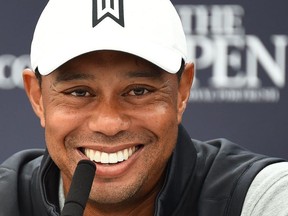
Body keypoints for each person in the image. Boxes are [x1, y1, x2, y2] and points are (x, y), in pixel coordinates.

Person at [0, 0, 288, 215]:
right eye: (79, 92)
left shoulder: (260, 197)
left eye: (139, 91)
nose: (109, 123)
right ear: (37, 97)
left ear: (182, 90)